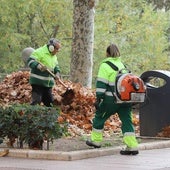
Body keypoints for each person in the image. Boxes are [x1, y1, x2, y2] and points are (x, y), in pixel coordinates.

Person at [86, 43, 139, 155]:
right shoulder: (123, 65)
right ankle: (132, 146)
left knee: (99, 117)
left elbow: (101, 85)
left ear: (107, 53)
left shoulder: (105, 65)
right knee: (127, 122)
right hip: (124, 100)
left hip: (110, 100)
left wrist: (99, 99)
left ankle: (96, 141)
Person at [27, 38, 61, 107]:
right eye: (57, 49)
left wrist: (57, 73)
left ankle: (49, 117)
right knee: (36, 101)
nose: (58, 51)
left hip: (48, 85)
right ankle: (32, 116)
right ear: (51, 47)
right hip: (38, 83)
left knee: (50, 103)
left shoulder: (54, 56)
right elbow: (30, 61)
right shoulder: (40, 52)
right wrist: (39, 66)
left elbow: (56, 67)